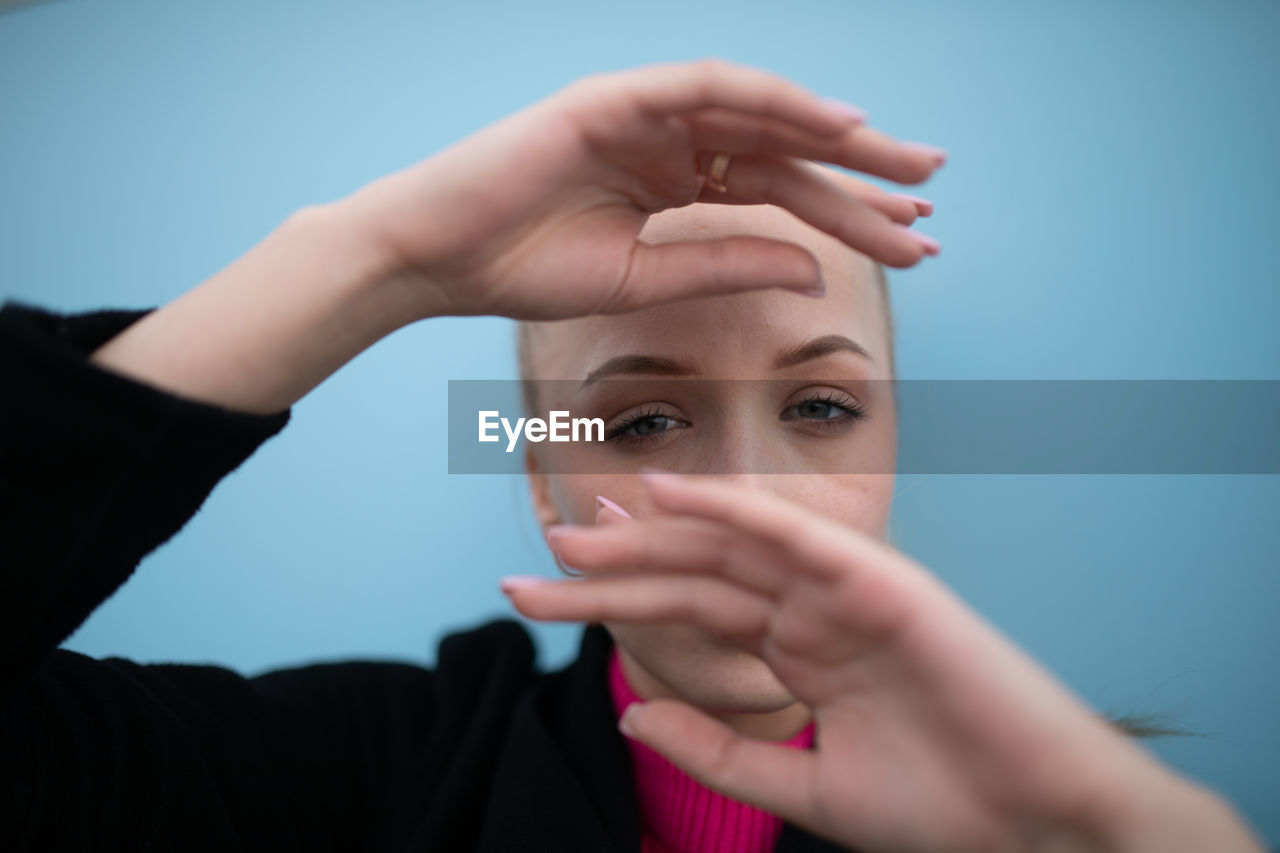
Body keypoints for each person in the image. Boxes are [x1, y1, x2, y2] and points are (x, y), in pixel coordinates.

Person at [0, 58, 1265, 852]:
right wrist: (373, 259)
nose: (752, 499)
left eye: (823, 407)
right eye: (641, 421)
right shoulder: (354, 775)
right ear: (542, 470)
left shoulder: (1053, 828)